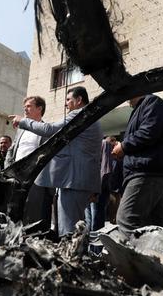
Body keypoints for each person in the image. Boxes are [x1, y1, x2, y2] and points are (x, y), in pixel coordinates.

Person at [9, 86, 102, 237]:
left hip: (74, 181)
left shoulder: (80, 115)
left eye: (68, 99)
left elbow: (49, 129)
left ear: (79, 100)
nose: (66, 104)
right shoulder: (90, 117)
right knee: (74, 229)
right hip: (77, 180)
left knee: (68, 231)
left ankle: (72, 259)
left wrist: (23, 121)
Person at [111, 94, 163, 236]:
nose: (125, 97)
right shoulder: (142, 108)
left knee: (126, 219)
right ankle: (158, 257)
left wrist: (123, 146)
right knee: (154, 227)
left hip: (146, 174)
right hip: (150, 173)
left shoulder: (151, 102)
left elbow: (148, 132)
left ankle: (132, 257)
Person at [5, 96, 55, 230]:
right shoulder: (21, 130)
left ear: (39, 109)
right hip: (17, 179)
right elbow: (11, 151)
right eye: (24, 106)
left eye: (28, 106)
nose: (25, 109)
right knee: (14, 214)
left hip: (37, 180)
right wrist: (8, 170)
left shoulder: (46, 130)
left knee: (34, 216)